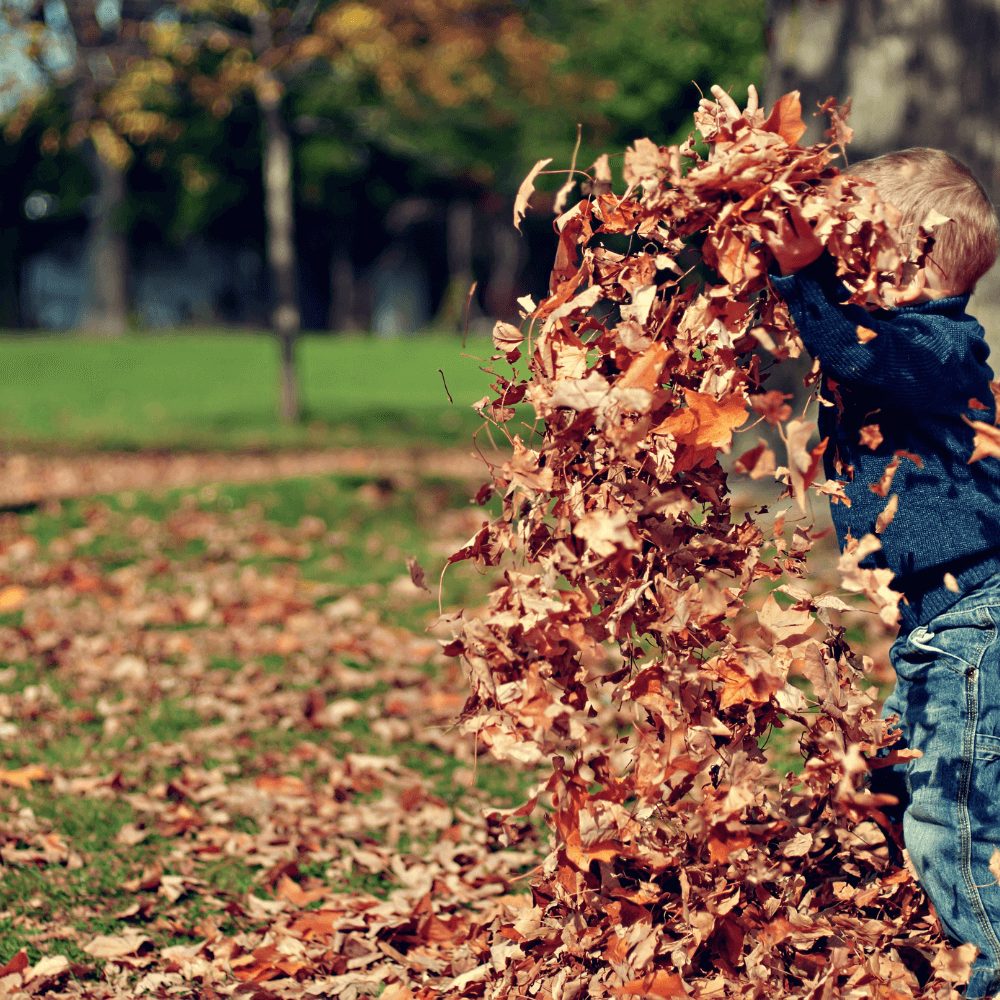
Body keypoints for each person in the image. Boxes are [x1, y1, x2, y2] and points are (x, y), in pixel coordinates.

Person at [702, 83, 1000, 997]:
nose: (837, 260)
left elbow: (858, 350)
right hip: (940, 626)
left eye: (853, 244)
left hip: (975, 622)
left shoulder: (939, 347)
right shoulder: (899, 340)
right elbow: (846, 345)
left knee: (949, 814)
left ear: (908, 259)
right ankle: (907, 928)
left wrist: (803, 275)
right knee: (890, 774)